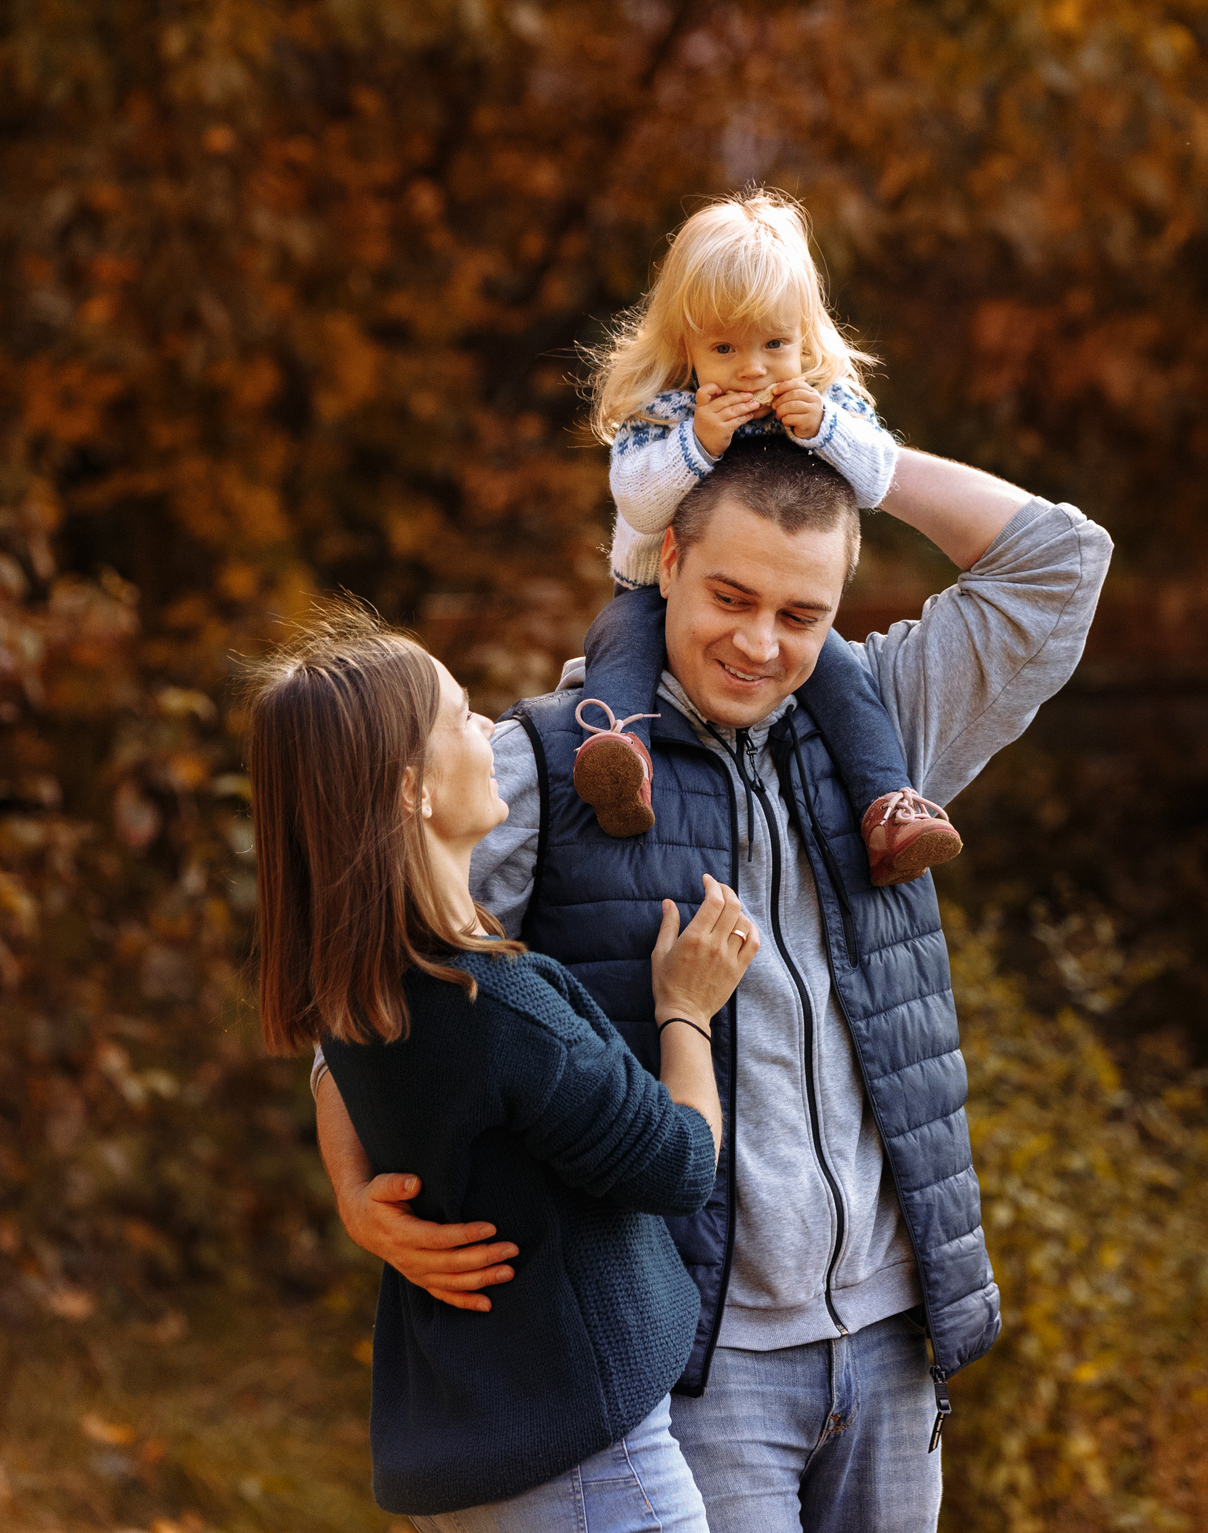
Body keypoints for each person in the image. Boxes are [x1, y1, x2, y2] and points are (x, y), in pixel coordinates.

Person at [316, 436, 1113, 1532]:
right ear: (668, 559)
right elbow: (370, 984)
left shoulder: (885, 723)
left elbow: (1059, 564)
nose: (757, 644)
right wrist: (359, 1188)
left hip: (889, 1340)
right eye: (730, 596)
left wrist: (855, 445)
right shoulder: (553, 763)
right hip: (698, 1359)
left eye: (802, 616)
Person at [246, 609, 761, 1529]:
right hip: (594, 1472)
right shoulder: (500, 1010)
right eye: (460, 716)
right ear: (414, 792)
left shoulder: (356, 993)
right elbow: (683, 1165)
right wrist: (687, 1009)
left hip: (473, 1460)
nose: (491, 730)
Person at [574, 187, 962, 887]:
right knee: (618, 641)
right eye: (726, 347)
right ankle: (620, 754)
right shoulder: (665, 414)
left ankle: (889, 808)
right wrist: (698, 441)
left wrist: (825, 430)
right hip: (655, 592)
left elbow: (877, 480)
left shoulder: (825, 399)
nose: (753, 368)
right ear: (686, 346)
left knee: (843, 679)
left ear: (804, 337)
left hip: (777, 598)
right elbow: (636, 497)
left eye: (775, 344)